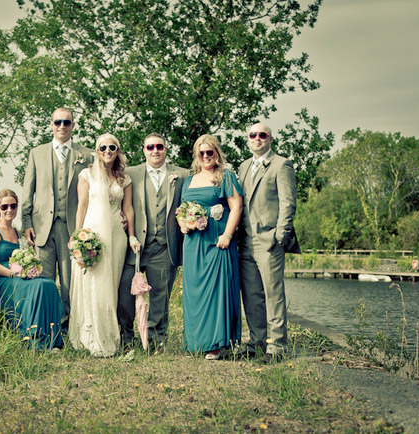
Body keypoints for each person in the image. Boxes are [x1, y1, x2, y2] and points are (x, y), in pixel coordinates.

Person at [21, 107, 93, 332]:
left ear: (73, 125)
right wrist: (26, 223)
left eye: (67, 122)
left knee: (71, 282)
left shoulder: (86, 155)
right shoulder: (37, 153)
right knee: (44, 280)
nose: (62, 126)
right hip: (42, 227)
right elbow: (28, 191)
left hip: (73, 227)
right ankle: (45, 328)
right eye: (58, 122)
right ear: (51, 124)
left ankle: (67, 328)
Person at [69, 133, 141, 357]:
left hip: (117, 237)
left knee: (110, 287)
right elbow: (81, 205)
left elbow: (128, 209)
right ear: (96, 150)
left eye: (112, 147)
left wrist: (131, 236)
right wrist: (78, 236)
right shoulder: (86, 174)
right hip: (93, 235)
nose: (107, 151)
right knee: (93, 284)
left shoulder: (124, 178)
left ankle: (111, 335)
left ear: (118, 150)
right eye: (103, 148)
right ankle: (91, 336)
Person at [117, 133, 189, 352]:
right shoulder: (130, 173)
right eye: (150, 147)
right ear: (144, 150)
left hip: (164, 246)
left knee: (160, 296)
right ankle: (127, 338)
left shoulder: (182, 175)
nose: (155, 150)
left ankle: (157, 341)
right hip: (135, 244)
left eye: (159, 146)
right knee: (125, 295)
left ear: (166, 148)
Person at [238, 123, 299, 363]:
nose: (257, 138)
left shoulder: (281, 165)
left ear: (271, 139)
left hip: (269, 241)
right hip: (245, 242)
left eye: (262, 135)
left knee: (273, 295)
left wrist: (280, 236)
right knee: (252, 295)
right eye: (253, 135)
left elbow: (288, 203)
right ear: (248, 139)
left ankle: (278, 348)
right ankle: (256, 343)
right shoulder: (243, 167)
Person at [180, 134, 244, 360]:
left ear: (217, 153)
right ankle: (196, 341)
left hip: (217, 241)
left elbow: (236, 206)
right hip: (193, 244)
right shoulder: (189, 180)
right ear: (197, 155)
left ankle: (216, 344)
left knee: (216, 291)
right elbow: (182, 209)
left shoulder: (225, 177)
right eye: (202, 152)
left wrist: (227, 234)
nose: (206, 156)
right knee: (194, 292)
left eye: (210, 152)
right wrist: (183, 225)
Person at [0, 189, 63, 351]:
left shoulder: (16, 232)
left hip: (15, 275)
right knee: (37, 287)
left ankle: (51, 338)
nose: (9, 210)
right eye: (4, 207)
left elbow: (22, 257)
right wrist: (12, 274)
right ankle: (34, 340)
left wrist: (30, 268)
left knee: (48, 284)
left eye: (13, 206)